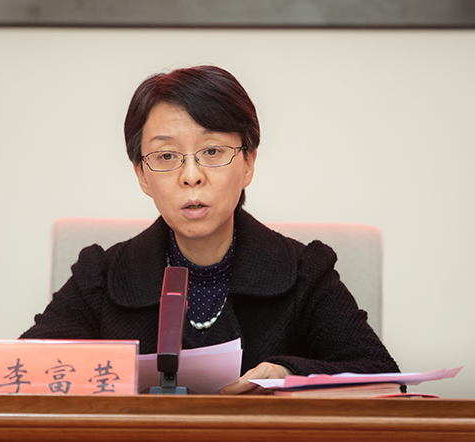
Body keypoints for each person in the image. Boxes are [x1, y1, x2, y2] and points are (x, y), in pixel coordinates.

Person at [20, 65, 400, 395]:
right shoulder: (101, 277)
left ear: (248, 162)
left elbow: (383, 379)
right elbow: (12, 377)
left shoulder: (304, 273)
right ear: (142, 175)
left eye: (212, 152)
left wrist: (289, 374)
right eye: (166, 156)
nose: (191, 176)